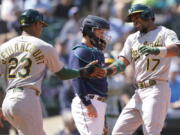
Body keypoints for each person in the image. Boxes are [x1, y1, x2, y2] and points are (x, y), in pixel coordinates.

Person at [0, 9, 104, 135]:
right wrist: (82, 72)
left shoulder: (4, 47)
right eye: (41, 25)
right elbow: (62, 73)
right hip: (26, 98)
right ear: (36, 24)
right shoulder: (43, 46)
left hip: (8, 101)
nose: (42, 29)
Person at [101, 4, 179, 135]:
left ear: (148, 16)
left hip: (156, 89)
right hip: (138, 92)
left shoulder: (165, 32)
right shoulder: (132, 38)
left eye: (137, 17)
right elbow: (122, 62)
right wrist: (107, 71)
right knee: (119, 132)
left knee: (151, 132)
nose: (135, 22)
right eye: (132, 19)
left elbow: (176, 49)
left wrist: (156, 50)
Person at [69, 15, 110, 135]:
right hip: (87, 101)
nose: (102, 35)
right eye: (100, 31)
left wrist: (103, 117)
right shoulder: (80, 50)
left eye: (103, 32)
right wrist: (87, 104)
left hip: (98, 102)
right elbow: (76, 78)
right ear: (89, 30)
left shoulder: (97, 52)